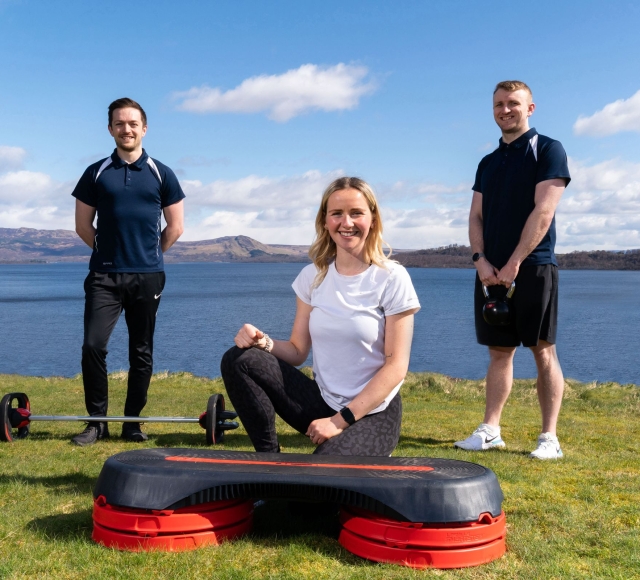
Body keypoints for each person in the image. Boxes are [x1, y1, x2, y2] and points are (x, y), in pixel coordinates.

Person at [221, 177, 420, 456]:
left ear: (373, 219)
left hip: (373, 413)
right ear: (325, 222)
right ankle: (268, 461)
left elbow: (396, 367)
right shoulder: (312, 277)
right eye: (337, 213)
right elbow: (297, 351)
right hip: (322, 402)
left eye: (356, 213)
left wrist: (339, 422)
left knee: (320, 481)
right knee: (238, 359)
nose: (346, 223)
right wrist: (262, 341)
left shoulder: (392, 277)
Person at [455, 80, 571, 459]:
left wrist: (516, 262)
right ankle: (490, 431)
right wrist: (479, 260)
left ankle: (548, 438)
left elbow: (544, 210)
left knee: (543, 351)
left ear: (530, 108)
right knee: (499, 352)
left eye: (513, 104)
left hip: (534, 267)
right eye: (499, 104)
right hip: (490, 272)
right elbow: (475, 215)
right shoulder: (488, 162)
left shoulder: (549, 150)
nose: (505, 110)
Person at [70, 98, 185, 446]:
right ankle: (97, 423)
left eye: (133, 123)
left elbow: (176, 227)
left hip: (147, 276)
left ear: (144, 128)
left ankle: (132, 423)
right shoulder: (95, 172)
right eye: (120, 124)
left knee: (141, 351)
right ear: (110, 129)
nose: (127, 129)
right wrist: (109, 253)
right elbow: (82, 225)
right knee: (93, 345)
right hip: (104, 275)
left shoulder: (161, 173)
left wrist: (148, 256)